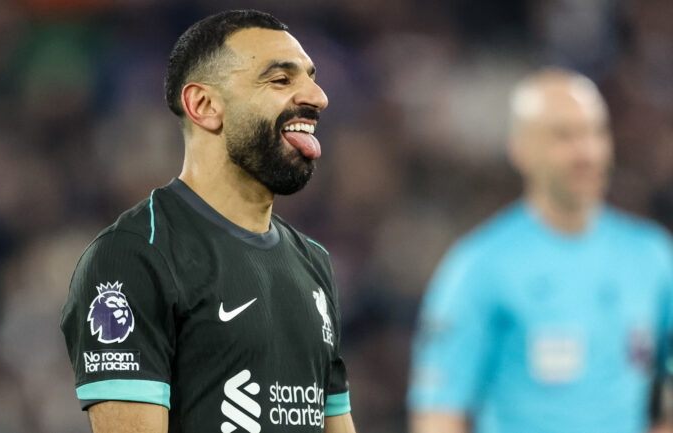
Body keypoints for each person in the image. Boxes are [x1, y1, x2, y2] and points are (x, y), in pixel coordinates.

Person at [60, 10, 355, 433]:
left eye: (311, 77)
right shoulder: (134, 257)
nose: (318, 96)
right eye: (280, 79)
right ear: (203, 105)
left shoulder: (314, 263)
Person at [408, 68, 673, 433]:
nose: (586, 151)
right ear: (520, 149)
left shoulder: (652, 257)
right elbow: (438, 414)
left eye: (596, 132)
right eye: (563, 135)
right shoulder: (479, 266)